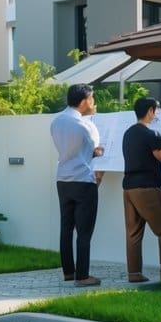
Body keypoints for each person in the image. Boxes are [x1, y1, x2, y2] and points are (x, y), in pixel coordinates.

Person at [49, 83, 104, 287]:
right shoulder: (84, 126)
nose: (93, 102)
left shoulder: (56, 122)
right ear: (84, 102)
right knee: (84, 231)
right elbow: (93, 151)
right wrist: (99, 151)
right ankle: (82, 276)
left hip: (63, 179)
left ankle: (68, 272)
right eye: (92, 98)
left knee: (66, 228)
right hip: (83, 180)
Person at [121, 97, 161, 283]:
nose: (157, 114)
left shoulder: (128, 133)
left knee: (133, 233)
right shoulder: (151, 134)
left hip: (128, 188)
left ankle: (134, 273)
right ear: (150, 111)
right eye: (156, 110)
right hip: (147, 188)